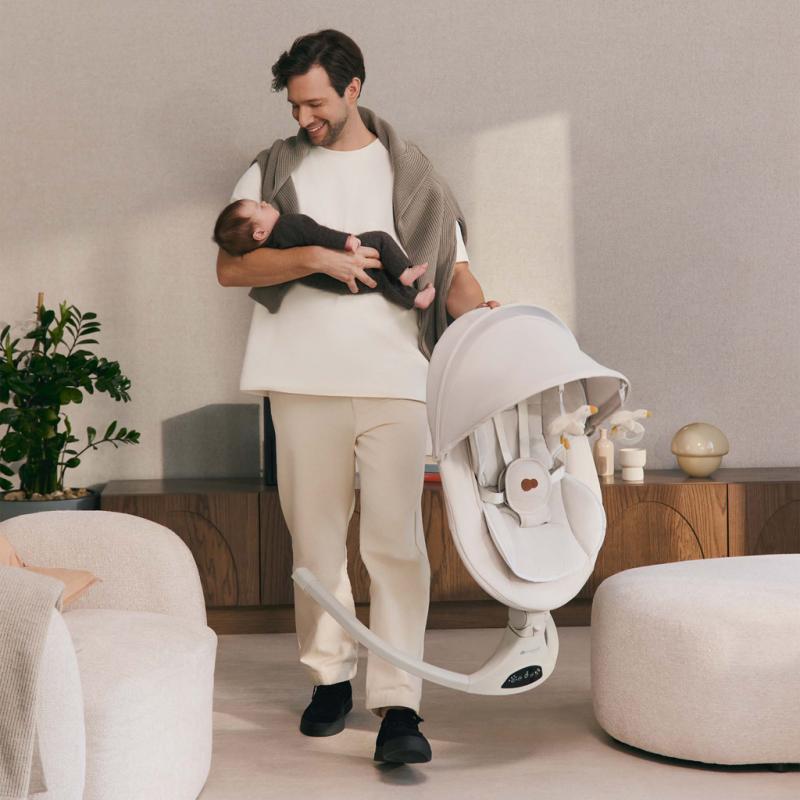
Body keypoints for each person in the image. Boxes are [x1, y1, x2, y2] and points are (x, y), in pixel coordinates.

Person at [216, 29, 499, 765]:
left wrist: (487, 319)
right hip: (300, 377)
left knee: (395, 543)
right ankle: (330, 680)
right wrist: (314, 255)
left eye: (315, 103)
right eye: (294, 105)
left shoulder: (412, 172)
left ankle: (400, 703)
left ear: (353, 88)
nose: (303, 117)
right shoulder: (271, 168)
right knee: (314, 542)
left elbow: (456, 272)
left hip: (396, 380)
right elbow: (231, 268)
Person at [213, 198, 435, 309]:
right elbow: (317, 233)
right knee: (381, 239)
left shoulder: (267, 252)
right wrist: (346, 240)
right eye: (260, 207)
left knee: (381, 282)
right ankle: (405, 273)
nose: (264, 202)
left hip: (328, 282)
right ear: (259, 233)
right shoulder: (287, 225)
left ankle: (414, 299)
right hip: (345, 257)